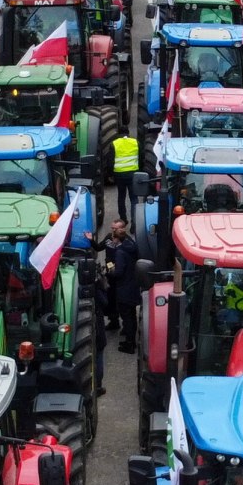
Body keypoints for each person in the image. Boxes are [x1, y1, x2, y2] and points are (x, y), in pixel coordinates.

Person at [103, 219, 141, 353]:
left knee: (127, 317)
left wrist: (109, 269)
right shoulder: (131, 247)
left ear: (116, 239)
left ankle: (129, 344)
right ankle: (131, 342)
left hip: (124, 288)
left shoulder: (119, 252)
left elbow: (118, 272)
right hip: (132, 285)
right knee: (131, 316)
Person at [110, 132, 140, 221]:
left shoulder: (114, 143)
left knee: (121, 197)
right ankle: (134, 222)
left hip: (120, 175)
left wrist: (111, 174)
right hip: (133, 174)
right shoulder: (135, 142)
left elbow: (110, 161)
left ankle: (123, 219)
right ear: (129, 134)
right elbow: (141, 158)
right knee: (134, 198)